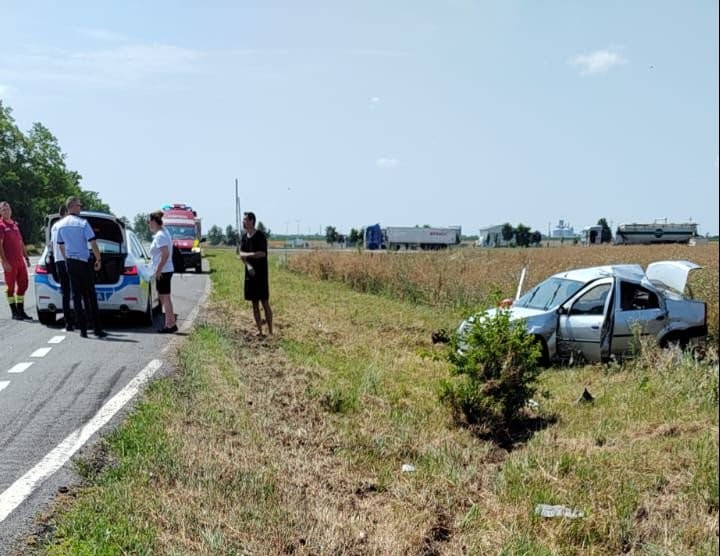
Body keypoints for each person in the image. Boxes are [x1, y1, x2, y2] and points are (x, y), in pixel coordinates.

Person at [56, 196, 107, 338]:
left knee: (76, 296)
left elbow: (61, 245)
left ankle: (83, 330)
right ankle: (97, 328)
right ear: (72, 206)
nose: (80, 208)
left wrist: (67, 260)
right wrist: (98, 259)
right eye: (79, 205)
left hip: (71, 263)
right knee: (90, 295)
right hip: (84, 262)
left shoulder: (61, 225)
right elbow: (93, 243)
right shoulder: (83, 223)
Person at [239, 211, 273, 336]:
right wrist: (248, 265)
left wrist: (249, 255)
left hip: (261, 275)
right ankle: (259, 330)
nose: (243, 222)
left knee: (264, 302)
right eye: (243, 220)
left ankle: (270, 331)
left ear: (251, 221)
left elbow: (262, 253)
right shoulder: (244, 237)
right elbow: (241, 254)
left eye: (245, 220)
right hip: (250, 275)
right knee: (254, 304)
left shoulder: (260, 236)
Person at [0, 201, 32, 320]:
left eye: (8, 209)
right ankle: (14, 312)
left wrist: (26, 257)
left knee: (23, 285)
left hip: (20, 261)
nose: (6, 211)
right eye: (3, 210)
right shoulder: (1, 226)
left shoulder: (14, 224)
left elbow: (21, 242)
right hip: (10, 262)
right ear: (0, 212)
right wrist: (4, 261)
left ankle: (21, 310)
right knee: (10, 287)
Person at [148, 210, 177, 333]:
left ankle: (169, 324)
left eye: (149, 222)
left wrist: (158, 270)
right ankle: (170, 322)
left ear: (154, 222)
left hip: (163, 270)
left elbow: (165, 254)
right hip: (165, 269)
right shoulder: (164, 232)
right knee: (164, 297)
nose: (149, 225)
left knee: (165, 297)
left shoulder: (160, 236)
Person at [49, 204, 74, 330]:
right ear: (66, 213)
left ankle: (68, 322)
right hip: (67, 260)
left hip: (58, 261)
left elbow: (52, 245)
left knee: (65, 292)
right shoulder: (65, 226)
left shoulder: (54, 226)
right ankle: (79, 319)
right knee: (76, 290)